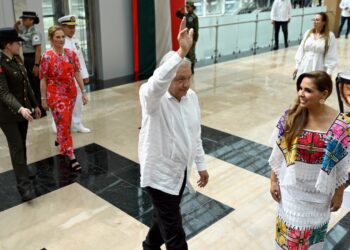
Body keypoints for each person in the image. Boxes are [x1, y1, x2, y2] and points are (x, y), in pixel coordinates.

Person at [139, 18, 209, 250]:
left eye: (188, 77)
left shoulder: (192, 98)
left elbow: (194, 134)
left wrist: (201, 164)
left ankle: (149, 246)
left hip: (180, 173)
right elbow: (157, 83)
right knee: (175, 234)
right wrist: (180, 52)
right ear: (167, 76)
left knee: (164, 219)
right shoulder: (152, 99)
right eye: (179, 79)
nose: (186, 84)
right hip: (159, 176)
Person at [269, 71, 348, 249]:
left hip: (319, 196)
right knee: (286, 243)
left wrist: (339, 193)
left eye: (308, 90)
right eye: (300, 88)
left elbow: (341, 164)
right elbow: (279, 153)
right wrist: (274, 180)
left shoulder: (340, 124)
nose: (301, 94)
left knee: (311, 244)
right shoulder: (290, 116)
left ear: (324, 94)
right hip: (290, 192)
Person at [0, 27, 41, 201]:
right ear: (8, 45)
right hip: (7, 115)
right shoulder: (1, 63)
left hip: (22, 112)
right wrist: (20, 108)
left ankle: (23, 169)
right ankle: (23, 186)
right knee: (16, 147)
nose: (20, 45)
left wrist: (35, 105)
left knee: (22, 143)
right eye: (17, 43)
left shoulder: (16, 59)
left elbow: (27, 84)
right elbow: (3, 93)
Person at [39, 25, 88, 171]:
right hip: (55, 95)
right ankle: (71, 155)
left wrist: (83, 92)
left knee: (65, 123)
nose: (61, 40)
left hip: (70, 94)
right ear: (51, 39)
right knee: (65, 122)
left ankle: (60, 138)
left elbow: (77, 74)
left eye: (62, 37)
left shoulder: (71, 54)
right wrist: (43, 99)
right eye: (57, 37)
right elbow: (43, 79)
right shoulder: (46, 56)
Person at [53, 15, 90, 133]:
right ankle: (56, 123)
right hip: (63, 78)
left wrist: (85, 75)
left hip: (76, 77)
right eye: (69, 27)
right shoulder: (60, 42)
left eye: (73, 27)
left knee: (78, 100)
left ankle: (77, 123)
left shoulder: (75, 41)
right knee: (61, 102)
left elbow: (80, 59)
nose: (72, 29)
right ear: (63, 27)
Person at [14, 11, 46, 117]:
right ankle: (36, 108)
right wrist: (16, 25)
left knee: (36, 85)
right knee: (31, 85)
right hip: (27, 58)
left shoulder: (35, 32)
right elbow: (16, 34)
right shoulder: (25, 29)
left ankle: (42, 110)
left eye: (25, 19)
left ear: (31, 20)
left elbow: (38, 49)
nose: (23, 21)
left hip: (33, 59)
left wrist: (36, 65)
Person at [294, 12, 337, 79]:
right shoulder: (308, 33)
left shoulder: (330, 36)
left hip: (319, 66)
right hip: (304, 65)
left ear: (324, 22)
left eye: (317, 20)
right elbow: (301, 50)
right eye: (313, 20)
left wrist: (329, 72)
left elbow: (331, 54)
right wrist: (297, 66)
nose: (314, 22)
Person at [176, 1, 199, 74]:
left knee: (191, 53)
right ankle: (186, 68)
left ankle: (192, 69)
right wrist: (182, 8)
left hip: (191, 37)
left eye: (188, 7)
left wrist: (195, 40)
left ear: (192, 7)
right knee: (185, 53)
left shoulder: (194, 17)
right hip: (185, 37)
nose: (187, 8)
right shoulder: (185, 15)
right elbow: (177, 14)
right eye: (187, 7)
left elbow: (196, 28)